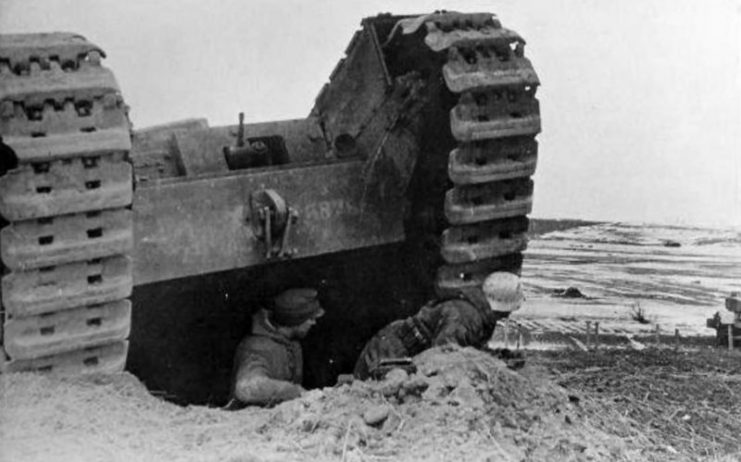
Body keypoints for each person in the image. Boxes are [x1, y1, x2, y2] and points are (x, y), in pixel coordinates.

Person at [353, 272, 524, 379]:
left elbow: (466, 349)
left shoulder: (479, 312)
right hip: (389, 353)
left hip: (403, 349)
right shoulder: (465, 317)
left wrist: (496, 357)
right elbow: (443, 358)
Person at [228, 288, 325, 408]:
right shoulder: (257, 347)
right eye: (310, 319)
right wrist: (295, 392)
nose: (313, 323)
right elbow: (246, 387)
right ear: (294, 321)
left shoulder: (292, 343)